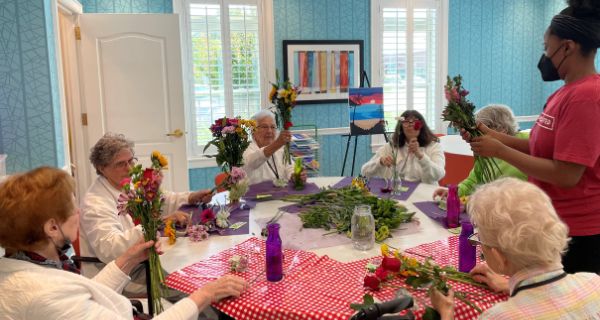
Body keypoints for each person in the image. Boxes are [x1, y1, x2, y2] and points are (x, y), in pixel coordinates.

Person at [0, 167, 247, 319]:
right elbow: (70, 297)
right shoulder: (47, 296)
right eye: (71, 208)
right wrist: (204, 294)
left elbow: (86, 292)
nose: (78, 211)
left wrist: (127, 260)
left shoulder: (29, 265)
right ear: (52, 227)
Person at [467, 0, 600, 273]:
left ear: (567, 47)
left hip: (578, 233)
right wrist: (495, 137)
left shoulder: (587, 96)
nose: (545, 55)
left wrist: (500, 151)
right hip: (550, 222)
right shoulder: (564, 93)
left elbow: (566, 174)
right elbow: (541, 148)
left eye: (546, 47)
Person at [430, 178, 600, 319]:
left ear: (498, 257)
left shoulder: (501, 316)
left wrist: (446, 313)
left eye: (481, 240)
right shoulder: (593, 282)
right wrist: (508, 285)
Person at [79, 133, 213, 295]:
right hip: (121, 275)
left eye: (131, 161)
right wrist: (158, 223)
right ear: (102, 168)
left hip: (143, 262)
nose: (129, 168)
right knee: (190, 287)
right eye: (120, 164)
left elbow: (159, 200)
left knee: (196, 270)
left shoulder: (127, 184)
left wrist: (190, 197)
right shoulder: (96, 203)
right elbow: (110, 248)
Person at [433, 104, 528, 199]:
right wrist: (455, 192)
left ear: (502, 130)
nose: (476, 137)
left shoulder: (528, 144)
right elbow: (472, 181)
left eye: (480, 132)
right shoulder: (486, 150)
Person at [361, 110, 445, 184]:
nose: (410, 125)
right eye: (406, 122)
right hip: (398, 194)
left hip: (425, 194)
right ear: (401, 127)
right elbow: (364, 171)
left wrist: (421, 156)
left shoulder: (434, 146)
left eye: (415, 121)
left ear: (421, 126)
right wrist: (380, 162)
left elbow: (439, 174)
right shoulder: (391, 147)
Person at [242, 110, 307, 185]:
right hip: (256, 194)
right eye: (264, 127)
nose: (269, 131)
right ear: (253, 130)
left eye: (273, 127)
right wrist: (277, 144)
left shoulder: (280, 148)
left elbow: (290, 166)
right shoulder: (246, 148)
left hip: (282, 193)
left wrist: (295, 175)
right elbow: (252, 162)